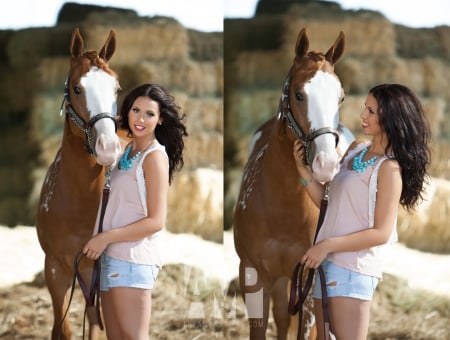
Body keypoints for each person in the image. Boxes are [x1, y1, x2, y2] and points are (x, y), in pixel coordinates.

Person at [293, 83, 431, 340]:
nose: (362, 116)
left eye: (371, 111)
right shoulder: (356, 149)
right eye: (364, 108)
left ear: (390, 117)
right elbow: (328, 202)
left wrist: (327, 245)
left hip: (352, 270)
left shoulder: (389, 169)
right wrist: (304, 175)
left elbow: (381, 232)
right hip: (327, 265)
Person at [83, 83, 188, 339]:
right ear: (126, 112)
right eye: (135, 110)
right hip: (109, 259)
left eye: (149, 114)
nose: (140, 119)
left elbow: (156, 221)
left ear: (160, 119)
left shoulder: (154, 157)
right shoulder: (127, 151)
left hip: (132, 261)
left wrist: (104, 237)